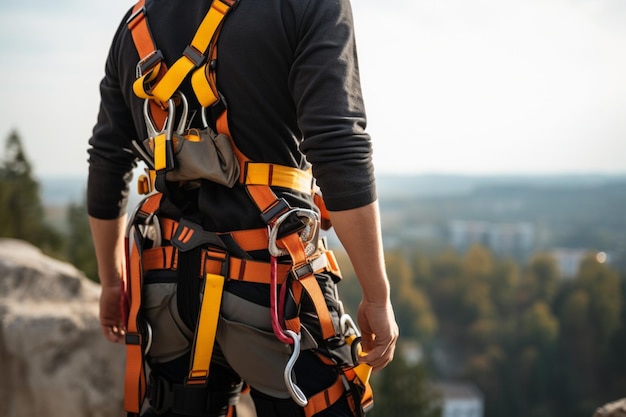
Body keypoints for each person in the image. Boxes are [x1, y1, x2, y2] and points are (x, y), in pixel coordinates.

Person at [87, 0, 398, 416]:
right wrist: (376, 296)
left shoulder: (136, 22)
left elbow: (108, 160)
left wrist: (113, 284)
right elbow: (340, 148)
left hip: (168, 286)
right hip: (272, 287)